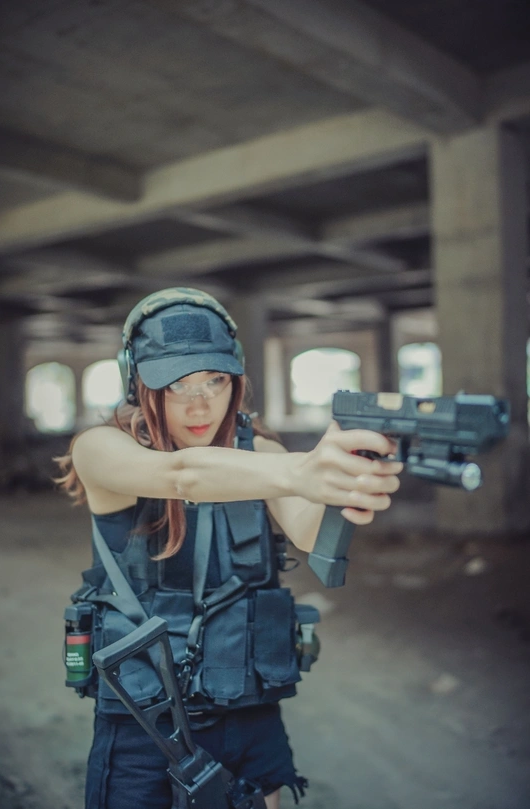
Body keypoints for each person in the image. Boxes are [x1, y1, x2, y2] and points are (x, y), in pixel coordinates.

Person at [57, 287, 403, 809]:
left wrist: (350, 481)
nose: (200, 404)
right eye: (177, 384)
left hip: (248, 711)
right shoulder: (100, 448)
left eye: (215, 380)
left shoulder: (258, 449)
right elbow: (182, 475)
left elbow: (309, 533)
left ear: (235, 377)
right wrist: (302, 469)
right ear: (138, 382)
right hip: (144, 725)